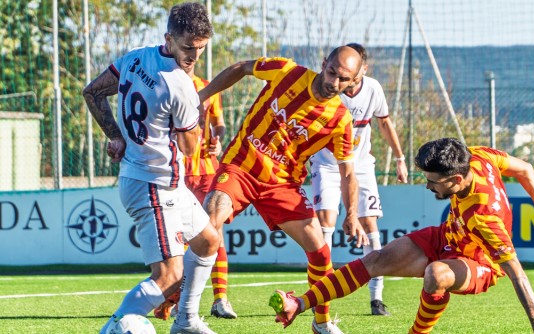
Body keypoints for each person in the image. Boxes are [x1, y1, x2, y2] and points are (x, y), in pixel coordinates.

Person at [270, 137, 534, 333]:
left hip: (478, 263)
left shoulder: (483, 216)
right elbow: (526, 169)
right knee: (376, 259)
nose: (428, 187)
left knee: (436, 274)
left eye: (433, 182)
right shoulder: (476, 156)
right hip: (446, 236)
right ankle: (301, 304)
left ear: (455, 179)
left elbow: (517, 274)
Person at [196, 46, 370, 334]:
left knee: (321, 252)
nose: (334, 83)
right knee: (209, 224)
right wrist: (202, 97)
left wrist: (352, 212)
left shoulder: (340, 120)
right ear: (323, 62)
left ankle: (322, 322)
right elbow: (241, 67)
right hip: (242, 166)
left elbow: (348, 171)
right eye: (331, 73)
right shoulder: (286, 71)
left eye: (344, 80)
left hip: (282, 184)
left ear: (353, 82)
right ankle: (185, 311)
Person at [82, 3, 220, 333]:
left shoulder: (135, 58)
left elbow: (93, 92)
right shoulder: (181, 85)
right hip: (152, 185)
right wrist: (198, 119)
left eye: (201, 48)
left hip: (157, 181)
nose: (194, 56)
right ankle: (114, 327)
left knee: (208, 241)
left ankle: (186, 320)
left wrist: (116, 135)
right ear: (169, 39)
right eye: (188, 47)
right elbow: (190, 148)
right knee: (168, 275)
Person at [309, 43, 408, 316]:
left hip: (360, 166)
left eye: (351, 74)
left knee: (370, 225)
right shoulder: (328, 89)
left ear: (362, 70)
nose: (345, 81)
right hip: (327, 165)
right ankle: (322, 294)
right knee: (326, 222)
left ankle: (376, 298)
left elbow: (385, 123)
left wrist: (399, 158)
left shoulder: (373, 89)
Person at [152, 70, 237, 320]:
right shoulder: (163, 85)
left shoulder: (208, 87)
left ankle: (220, 299)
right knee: (180, 240)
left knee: (214, 234)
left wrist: (218, 139)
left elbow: (217, 123)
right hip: (175, 171)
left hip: (207, 171)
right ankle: (175, 298)